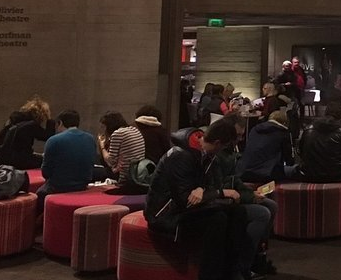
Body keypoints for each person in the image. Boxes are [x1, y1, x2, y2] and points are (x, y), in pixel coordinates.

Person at [144, 120, 269, 280]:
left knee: (236, 212)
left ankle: (232, 272)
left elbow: (208, 185)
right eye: (224, 147)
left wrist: (202, 189)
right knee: (218, 219)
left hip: (185, 208)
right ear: (217, 143)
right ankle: (211, 275)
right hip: (166, 214)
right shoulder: (181, 155)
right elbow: (185, 199)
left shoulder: (205, 155)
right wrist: (218, 192)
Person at [38, 109, 97, 213]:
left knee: (39, 194)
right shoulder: (90, 138)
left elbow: (46, 172)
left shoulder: (53, 140)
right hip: (83, 185)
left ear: (60, 123)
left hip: (58, 187)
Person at [0, 96, 54, 169]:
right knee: (49, 160)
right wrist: (49, 118)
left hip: (2, 159)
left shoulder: (13, 121)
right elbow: (48, 136)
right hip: (19, 160)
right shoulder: (31, 125)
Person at [297, 101, 341, 183]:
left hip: (309, 174)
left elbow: (301, 152)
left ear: (326, 113)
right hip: (335, 175)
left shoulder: (308, 129)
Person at [238, 110, 294, 184]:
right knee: (294, 171)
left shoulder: (254, 129)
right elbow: (289, 158)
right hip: (266, 174)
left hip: (244, 172)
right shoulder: (283, 133)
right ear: (284, 123)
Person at [99, 111, 146, 187]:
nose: (103, 130)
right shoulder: (135, 130)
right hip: (138, 173)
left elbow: (111, 161)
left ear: (109, 126)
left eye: (104, 127)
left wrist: (102, 146)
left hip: (123, 175)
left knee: (94, 171)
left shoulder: (117, 134)